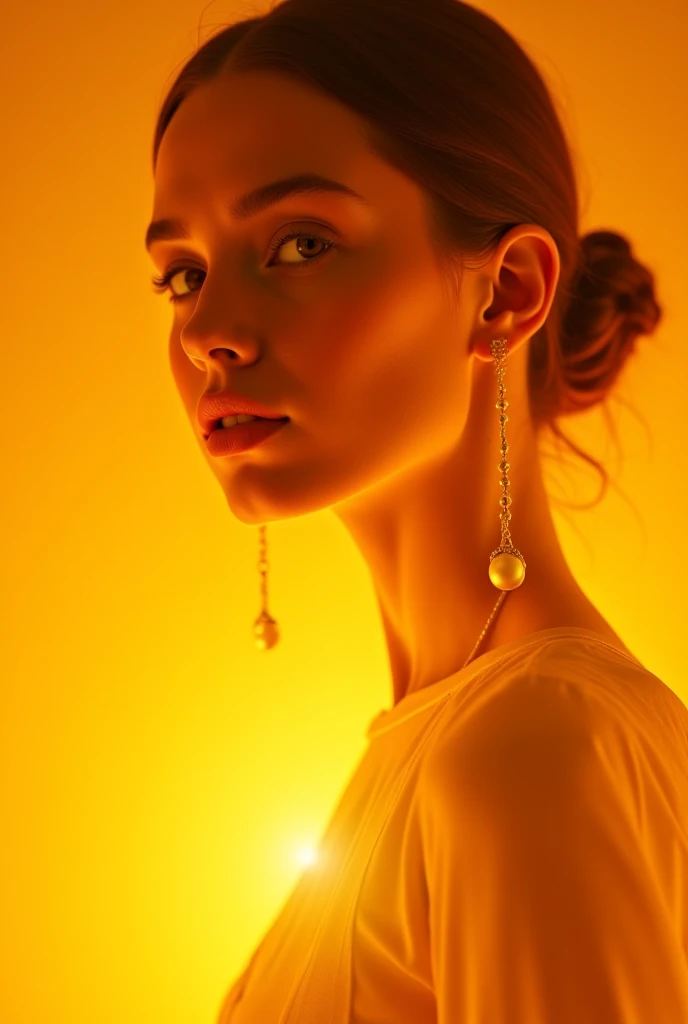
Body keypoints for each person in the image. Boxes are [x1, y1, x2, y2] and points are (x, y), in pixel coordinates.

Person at [144, 1, 688, 1021]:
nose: (209, 329)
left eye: (299, 244)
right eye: (183, 273)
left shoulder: (529, 750)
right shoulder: (441, 746)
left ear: (507, 290)